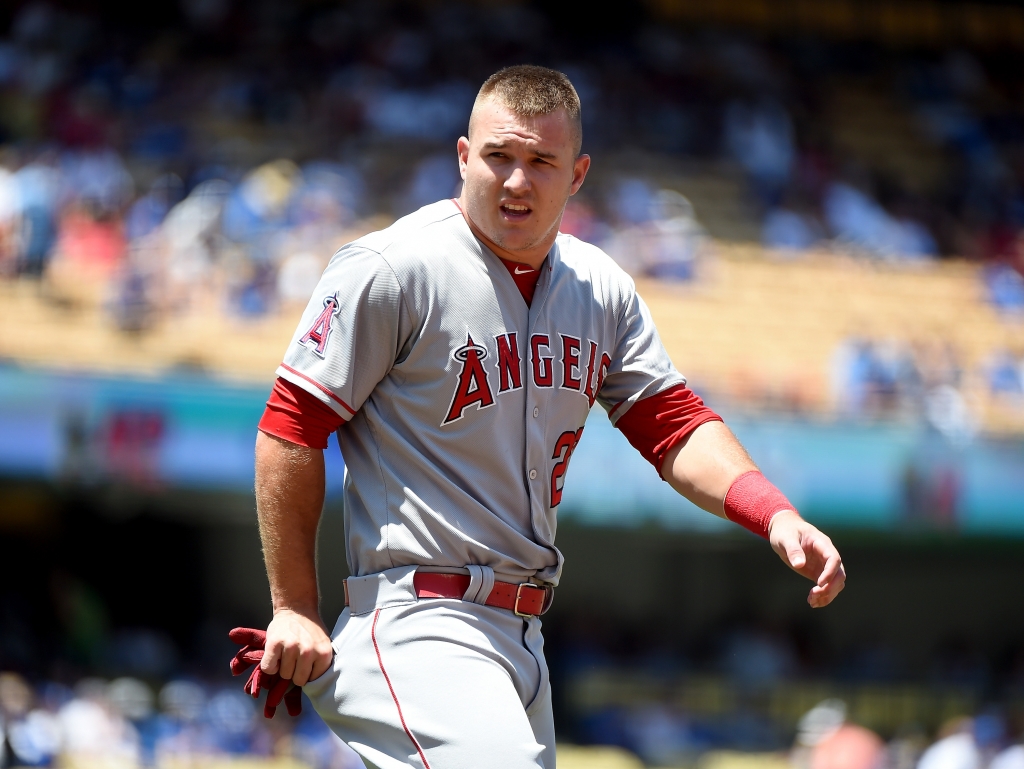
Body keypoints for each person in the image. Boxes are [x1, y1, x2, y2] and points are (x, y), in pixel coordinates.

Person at [247, 65, 846, 768]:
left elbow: (672, 423)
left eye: (541, 161)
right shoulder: (393, 267)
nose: (516, 180)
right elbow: (291, 424)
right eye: (498, 156)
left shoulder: (600, 288)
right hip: (419, 620)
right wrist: (294, 605)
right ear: (464, 156)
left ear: (578, 173)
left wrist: (773, 512)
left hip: (523, 638)